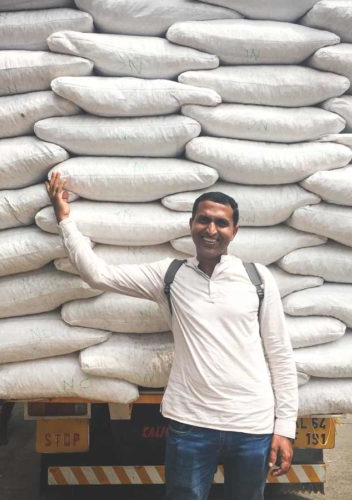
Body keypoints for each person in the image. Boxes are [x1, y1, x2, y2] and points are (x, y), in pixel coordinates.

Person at [46, 172, 298, 500]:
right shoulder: (170, 275)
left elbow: (279, 353)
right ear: (191, 224)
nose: (211, 230)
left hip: (252, 425)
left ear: (234, 232)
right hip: (191, 424)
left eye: (221, 223)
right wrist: (65, 220)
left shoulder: (256, 278)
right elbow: (98, 274)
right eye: (204, 220)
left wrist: (285, 428)